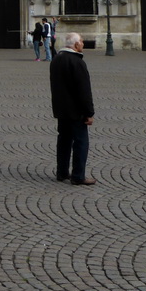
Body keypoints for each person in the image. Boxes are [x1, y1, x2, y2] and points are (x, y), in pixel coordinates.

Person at [49, 31, 96, 186]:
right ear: (76, 44)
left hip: (61, 110)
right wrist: (89, 112)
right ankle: (78, 176)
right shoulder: (77, 62)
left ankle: (62, 172)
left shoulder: (56, 59)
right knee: (81, 142)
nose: (83, 44)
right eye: (82, 41)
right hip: (76, 112)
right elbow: (84, 90)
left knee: (63, 141)